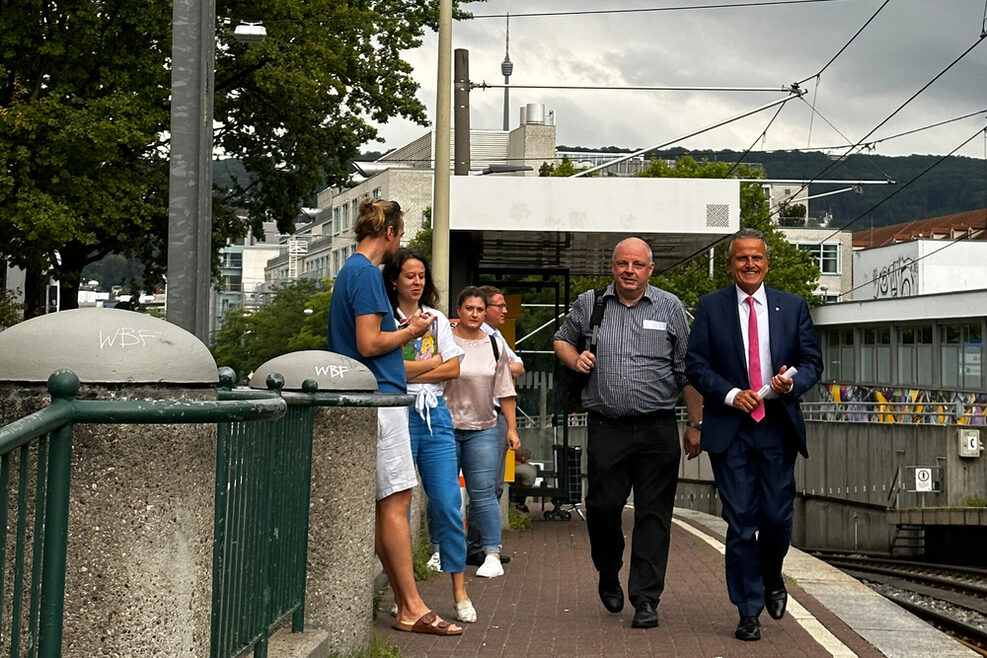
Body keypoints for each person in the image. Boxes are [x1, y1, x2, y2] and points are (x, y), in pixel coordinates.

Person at [327, 198, 462, 636]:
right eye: (400, 234)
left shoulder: (351, 270)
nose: (399, 241)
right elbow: (369, 343)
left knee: (390, 502)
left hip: (374, 396)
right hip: (382, 400)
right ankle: (411, 606)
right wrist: (412, 331)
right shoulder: (367, 274)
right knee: (397, 501)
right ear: (390, 233)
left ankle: (407, 601)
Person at [554, 237, 703, 630]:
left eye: (638, 264)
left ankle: (646, 598)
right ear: (613, 266)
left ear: (650, 270)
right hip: (607, 427)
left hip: (658, 429)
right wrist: (576, 357)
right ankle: (607, 569)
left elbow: (687, 371)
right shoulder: (592, 304)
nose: (630, 271)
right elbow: (561, 340)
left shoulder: (670, 307)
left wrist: (694, 423)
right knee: (602, 508)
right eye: (623, 263)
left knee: (654, 516)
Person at [685, 228, 822, 642]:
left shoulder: (792, 306)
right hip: (732, 431)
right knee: (741, 522)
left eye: (756, 258)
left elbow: (811, 362)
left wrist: (790, 384)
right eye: (741, 258)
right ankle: (748, 610)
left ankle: (772, 575)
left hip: (777, 426)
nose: (749, 264)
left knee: (777, 518)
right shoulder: (710, 308)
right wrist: (728, 394)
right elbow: (695, 365)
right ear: (730, 264)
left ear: (766, 262)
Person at [383, 247, 476, 624]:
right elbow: (387, 370)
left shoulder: (437, 319)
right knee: (396, 509)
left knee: (448, 504)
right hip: (398, 415)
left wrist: (414, 368)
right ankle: (403, 595)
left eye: (421, 275)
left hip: (435, 415)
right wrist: (432, 362)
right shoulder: (385, 320)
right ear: (394, 280)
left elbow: (453, 369)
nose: (417, 282)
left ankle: (459, 591)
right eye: (409, 275)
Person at [443, 286, 520, 579]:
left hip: (484, 428)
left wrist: (511, 428)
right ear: (459, 311)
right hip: (447, 426)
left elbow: (505, 390)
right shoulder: (445, 341)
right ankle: (442, 549)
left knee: (484, 492)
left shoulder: (494, 345)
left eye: (479, 309)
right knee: (445, 492)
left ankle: (491, 553)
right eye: (468, 309)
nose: (474, 314)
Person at [462, 285, 525, 567]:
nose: (504, 310)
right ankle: (468, 546)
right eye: (498, 306)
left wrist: (512, 427)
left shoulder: (495, 338)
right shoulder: (459, 336)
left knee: (491, 487)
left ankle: (485, 547)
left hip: (494, 417)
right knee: (473, 487)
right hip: (468, 416)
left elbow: (518, 367)